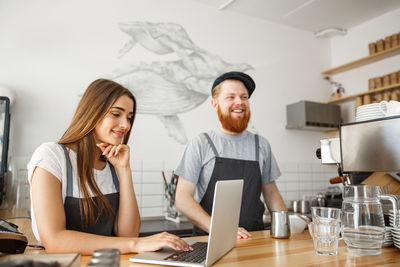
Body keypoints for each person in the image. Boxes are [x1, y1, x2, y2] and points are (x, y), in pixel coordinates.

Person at [27, 79, 191, 255]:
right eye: (116, 114)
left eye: (129, 117)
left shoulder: (112, 165)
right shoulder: (51, 156)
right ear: (92, 112)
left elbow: (128, 234)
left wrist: (124, 170)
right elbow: (55, 240)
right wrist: (136, 244)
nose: (126, 125)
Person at [174, 71, 287, 238]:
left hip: (254, 239)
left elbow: (271, 193)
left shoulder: (261, 145)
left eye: (244, 97)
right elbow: (182, 199)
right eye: (231, 97)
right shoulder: (201, 143)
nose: (239, 102)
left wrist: (287, 225)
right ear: (215, 104)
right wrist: (220, 229)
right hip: (210, 239)